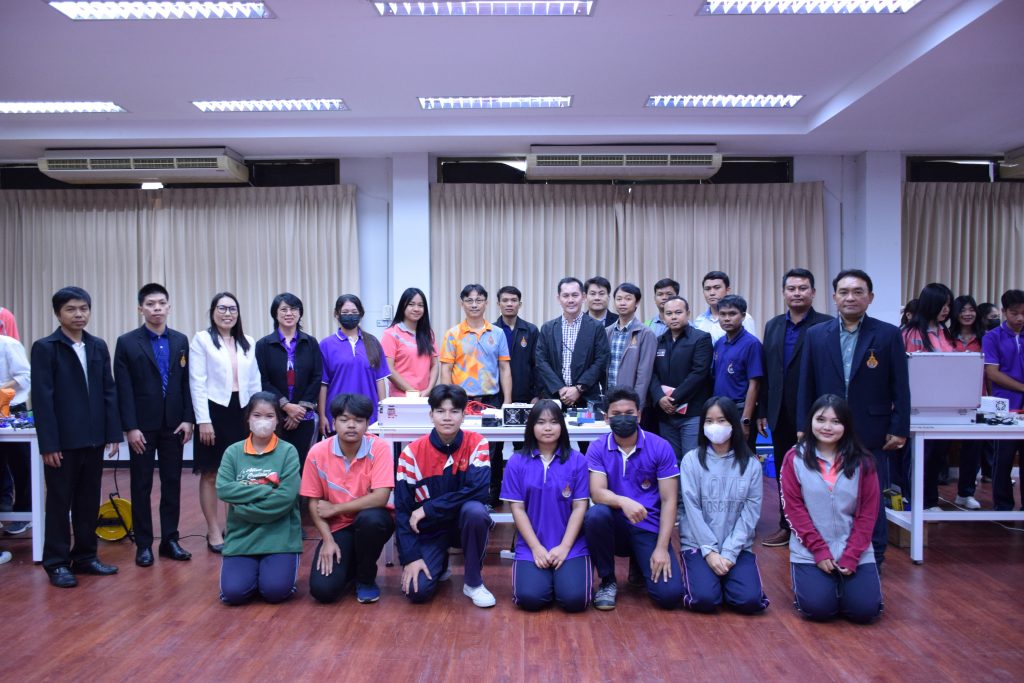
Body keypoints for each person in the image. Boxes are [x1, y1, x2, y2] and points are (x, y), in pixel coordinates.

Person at [797, 269, 910, 568]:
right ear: (834, 297)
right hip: (826, 429)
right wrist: (802, 427)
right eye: (844, 292)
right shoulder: (816, 335)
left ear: (870, 297)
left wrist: (900, 427)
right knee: (828, 493)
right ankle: (829, 553)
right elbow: (806, 384)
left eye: (858, 292)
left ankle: (875, 555)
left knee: (871, 494)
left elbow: (900, 385)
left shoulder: (887, 334)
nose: (850, 297)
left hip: (872, 429)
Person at [31, 287, 121, 588]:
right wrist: (49, 444)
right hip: (62, 443)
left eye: (83, 308)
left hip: (94, 439)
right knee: (59, 502)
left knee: (88, 501)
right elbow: (42, 400)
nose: (79, 314)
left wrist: (112, 433)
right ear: (58, 314)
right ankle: (56, 563)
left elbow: (108, 391)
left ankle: (85, 556)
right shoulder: (46, 348)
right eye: (71, 309)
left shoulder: (97, 346)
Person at [782, 394, 883, 624]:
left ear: (846, 426)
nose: (827, 427)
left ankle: (848, 589)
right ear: (810, 421)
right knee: (818, 610)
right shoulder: (794, 458)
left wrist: (852, 555)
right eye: (821, 419)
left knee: (864, 611)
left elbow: (868, 514)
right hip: (810, 551)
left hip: (855, 550)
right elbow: (793, 510)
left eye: (836, 421)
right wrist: (819, 551)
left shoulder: (863, 461)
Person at [114, 283, 194, 567]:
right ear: (141, 308)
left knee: (172, 483)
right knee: (141, 485)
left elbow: (186, 383)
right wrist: (130, 427)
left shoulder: (180, 340)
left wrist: (188, 418)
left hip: (174, 425)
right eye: (150, 304)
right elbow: (123, 388)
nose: (156, 308)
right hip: (142, 428)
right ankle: (144, 544)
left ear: (169, 306)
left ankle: (170, 540)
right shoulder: (126, 342)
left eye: (161, 303)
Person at [584, 386, 684, 610]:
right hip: (615, 525)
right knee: (595, 515)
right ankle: (608, 580)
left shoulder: (660, 447)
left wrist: (662, 548)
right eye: (616, 414)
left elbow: (669, 501)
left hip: (648, 525)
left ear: (639, 415)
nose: (623, 418)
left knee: (669, 596)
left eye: (629, 413)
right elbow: (597, 493)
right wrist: (623, 501)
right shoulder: (597, 447)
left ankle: (640, 563)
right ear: (606, 418)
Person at [395, 384, 495, 607]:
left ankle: (473, 583)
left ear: (464, 415)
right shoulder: (411, 454)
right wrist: (411, 557)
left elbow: (479, 491)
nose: (447, 417)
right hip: (430, 530)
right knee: (417, 592)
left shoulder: (477, 443)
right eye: (440, 411)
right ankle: (439, 563)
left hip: (462, 526)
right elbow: (402, 511)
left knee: (476, 511)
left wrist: (428, 508)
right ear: (431, 415)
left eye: (454, 411)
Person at [757, 268, 832, 547]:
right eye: (792, 288)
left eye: (803, 288)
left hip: (816, 413)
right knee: (784, 472)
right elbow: (767, 371)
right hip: (780, 413)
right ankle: (786, 526)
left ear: (813, 292)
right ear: (783, 292)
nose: (797, 293)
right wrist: (762, 409)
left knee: (817, 473)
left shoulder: (827, 325)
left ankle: (818, 529)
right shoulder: (773, 325)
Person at [678, 397, 769, 614]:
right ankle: (711, 580)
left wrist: (729, 552)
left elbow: (750, 513)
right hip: (698, 544)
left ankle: (728, 581)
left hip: (736, 546)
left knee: (749, 602)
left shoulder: (751, 465)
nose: (715, 426)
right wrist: (710, 552)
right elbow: (691, 509)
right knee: (704, 599)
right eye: (709, 421)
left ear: (733, 424)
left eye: (721, 420)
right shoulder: (691, 460)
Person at [302, 393, 395, 604]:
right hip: (337, 528)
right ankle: (350, 566)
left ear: (367, 424)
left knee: (371, 520)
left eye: (358, 420)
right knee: (323, 591)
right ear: (334, 422)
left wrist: (335, 508)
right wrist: (327, 540)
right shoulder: (317, 452)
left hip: (371, 522)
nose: (351, 425)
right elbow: (314, 502)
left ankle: (366, 579)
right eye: (344, 420)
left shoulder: (379, 448)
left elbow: (381, 497)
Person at [500, 400, 590, 612]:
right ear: (531, 426)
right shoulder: (516, 462)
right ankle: (548, 581)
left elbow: (580, 507)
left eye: (553, 422)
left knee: (575, 601)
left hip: (571, 545)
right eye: (541, 422)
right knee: (530, 599)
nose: (548, 428)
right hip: (532, 544)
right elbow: (517, 509)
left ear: (562, 426)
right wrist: (536, 548)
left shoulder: (578, 461)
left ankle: (562, 581)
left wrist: (565, 547)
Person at [190, 292, 262, 553]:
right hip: (213, 411)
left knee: (239, 473)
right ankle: (212, 530)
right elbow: (197, 382)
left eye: (232, 309)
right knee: (210, 472)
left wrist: (256, 416)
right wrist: (203, 420)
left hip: (241, 411)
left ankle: (234, 527)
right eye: (222, 308)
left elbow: (254, 382)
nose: (227, 313)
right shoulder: (202, 340)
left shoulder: (248, 342)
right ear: (213, 312)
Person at [216, 392, 302, 605]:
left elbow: (286, 497)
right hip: (241, 537)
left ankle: (266, 576)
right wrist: (267, 487)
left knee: (275, 592)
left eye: (269, 416)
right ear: (248, 418)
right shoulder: (233, 452)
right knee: (233, 594)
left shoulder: (288, 451)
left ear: (278, 420)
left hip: (280, 537)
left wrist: (242, 507)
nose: (263, 421)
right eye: (257, 415)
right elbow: (224, 490)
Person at [902, 283, 955, 511]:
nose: (946, 309)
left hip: (944, 405)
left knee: (937, 456)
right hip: (917, 406)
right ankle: (912, 499)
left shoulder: (945, 332)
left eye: (949, 305)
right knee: (918, 456)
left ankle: (931, 500)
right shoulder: (909, 333)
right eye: (942, 304)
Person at [255, 293, 322, 471]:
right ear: (275, 314)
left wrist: (299, 410)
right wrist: (286, 406)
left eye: (293, 309)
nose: (289, 313)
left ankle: (301, 492)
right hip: (275, 415)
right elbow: (262, 380)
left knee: (302, 464)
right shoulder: (263, 345)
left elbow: (317, 377)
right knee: (274, 465)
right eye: (283, 309)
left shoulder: (310, 343)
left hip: (303, 416)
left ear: (300, 313)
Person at [493, 285, 540, 506]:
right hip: (496, 399)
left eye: (513, 300)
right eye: (505, 300)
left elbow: (538, 365)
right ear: (498, 304)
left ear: (520, 304)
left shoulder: (530, 331)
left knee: (525, 449)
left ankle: (525, 493)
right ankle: (494, 494)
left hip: (525, 398)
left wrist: (537, 395)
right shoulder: (491, 330)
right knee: (494, 449)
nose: (509, 304)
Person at [650, 296, 713, 461]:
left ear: (688, 313)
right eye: (669, 313)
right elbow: (652, 373)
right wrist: (659, 398)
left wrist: (673, 399)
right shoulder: (658, 341)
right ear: (663, 316)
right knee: (670, 462)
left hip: (692, 412)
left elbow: (699, 374)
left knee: (692, 461)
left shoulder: (701, 338)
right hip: (666, 414)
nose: (673, 317)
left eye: (678, 312)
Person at [535, 277, 611, 410]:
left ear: (583, 297)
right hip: (555, 397)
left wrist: (578, 389)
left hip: (587, 398)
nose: (570, 300)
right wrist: (560, 388)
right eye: (565, 296)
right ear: (559, 299)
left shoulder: (596, 327)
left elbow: (601, 361)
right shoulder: (548, 328)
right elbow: (541, 361)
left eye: (575, 295)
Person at [319, 294, 390, 433]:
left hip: (368, 416)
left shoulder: (372, 342)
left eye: (354, 312)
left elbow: (380, 380)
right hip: (338, 415)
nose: (350, 315)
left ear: (361, 314)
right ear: (336, 314)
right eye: (345, 312)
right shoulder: (326, 345)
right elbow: (323, 384)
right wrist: (322, 416)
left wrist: (383, 413)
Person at [983, 289, 1024, 511]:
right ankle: (1003, 506)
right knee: (1003, 458)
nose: (1020, 318)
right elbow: (992, 373)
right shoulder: (992, 337)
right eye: (1015, 313)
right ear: (1004, 311)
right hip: (1004, 406)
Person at [440, 284, 512, 406]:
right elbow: (446, 370)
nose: (474, 305)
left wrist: (507, 400)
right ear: (462, 304)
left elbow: (504, 368)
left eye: (479, 300)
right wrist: (447, 400)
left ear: (486, 303)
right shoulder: (452, 334)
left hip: (492, 400)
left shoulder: (498, 333)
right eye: (469, 301)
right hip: (460, 399)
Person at [711, 295, 763, 455]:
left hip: (740, 410)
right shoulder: (719, 343)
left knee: (743, 457)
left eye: (732, 314)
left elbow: (755, 385)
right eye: (723, 314)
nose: (727, 318)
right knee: (721, 456)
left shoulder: (752, 344)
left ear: (743, 316)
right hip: (719, 410)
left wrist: (745, 420)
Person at [949, 294, 986, 508]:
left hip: (976, 400)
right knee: (939, 449)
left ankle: (966, 492)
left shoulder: (984, 338)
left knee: (973, 448)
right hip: (948, 400)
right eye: (963, 310)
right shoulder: (946, 337)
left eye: (971, 309)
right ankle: (929, 495)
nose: (967, 314)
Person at [605, 283, 657, 413]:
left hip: (631, 402)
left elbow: (644, 375)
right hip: (610, 399)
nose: (622, 303)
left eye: (628, 299)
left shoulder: (645, 333)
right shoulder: (607, 332)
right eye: (619, 299)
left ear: (637, 302)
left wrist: (637, 406)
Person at [382, 287, 439, 398]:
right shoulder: (391, 334)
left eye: (420, 305)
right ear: (402, 306)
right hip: (401, 398)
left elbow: (435, 365)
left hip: (425, 397)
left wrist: (429, 389)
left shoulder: (428, 334)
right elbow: (388, 369)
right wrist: (413, 392)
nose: (416, 309)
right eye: (411, 304)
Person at [0, 332, 31, 536]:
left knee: (21, 464)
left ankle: (24, 512)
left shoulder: (8, 344)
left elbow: (25, 376)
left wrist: (1, 389)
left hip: (12, 408)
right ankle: (4, 507)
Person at [693, 271, 759, 343]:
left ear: (727, 290)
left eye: (717, 288)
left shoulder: (743, 318)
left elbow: (750, 344)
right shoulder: (699, 320)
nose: (712, 293)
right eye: (707, 289)